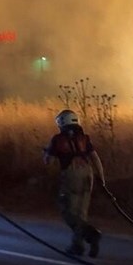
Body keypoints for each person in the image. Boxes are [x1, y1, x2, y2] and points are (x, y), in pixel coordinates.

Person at [43, 109, 106, 257]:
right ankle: (77, 245)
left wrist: (46, 153)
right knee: (81, 213)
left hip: (71, 176)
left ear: (61, 123)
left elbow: (49, 161)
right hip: (87, 175)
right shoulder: (84, 138)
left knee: (67, 211)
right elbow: (95, 158)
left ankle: (91, 234)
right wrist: (101, 178)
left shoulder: (57, 140)